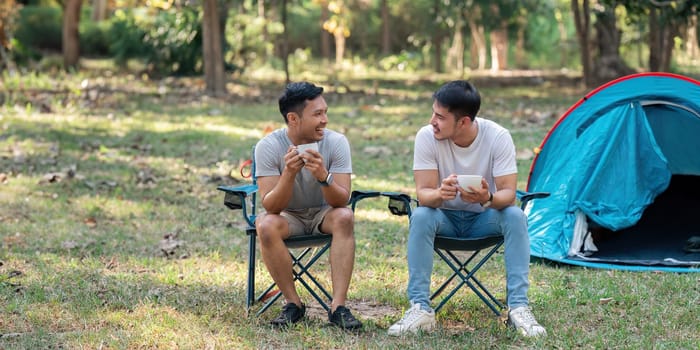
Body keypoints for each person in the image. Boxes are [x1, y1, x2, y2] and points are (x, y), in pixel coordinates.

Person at [387, 80, 546, 337]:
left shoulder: (498, 137)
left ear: (463, 122)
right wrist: (440, 193)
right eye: (433, 113)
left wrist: (488, 197)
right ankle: (420, 307)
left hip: (484, 218)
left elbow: (508, 193)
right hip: (444, 218)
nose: (432, 121)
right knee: (421, 214)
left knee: (515, 216)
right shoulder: (426, 137)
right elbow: (423, 194)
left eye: (440, 116)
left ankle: (518, 307)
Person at [254, 81, 362, 330]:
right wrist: (289, 174)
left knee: (345, 216)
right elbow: (271, 206)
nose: (324, 120)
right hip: (288, 216)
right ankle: (293, 304)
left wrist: (323, 176)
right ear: (293, 118)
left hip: (325, 213)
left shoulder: (336, 143)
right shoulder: (268, 147)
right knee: (266, 224)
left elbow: (341, 199)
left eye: (325, 112)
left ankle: (338, 307)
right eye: (317, 114)